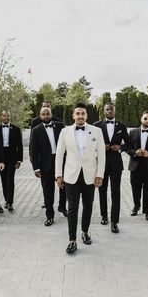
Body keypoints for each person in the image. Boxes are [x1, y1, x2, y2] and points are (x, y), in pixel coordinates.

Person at [55, 102, 105, 254]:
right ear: (73, 116)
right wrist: (58, 174)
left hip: (90, 175)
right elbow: (59, 154)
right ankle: (72, 239)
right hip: (71, 176)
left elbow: (102, 156)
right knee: (72, 208)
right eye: (77, 114)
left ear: (86, 115)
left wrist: (100, 175)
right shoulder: (65, 132)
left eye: (83, 114)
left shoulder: (97, 131)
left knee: (88, 206)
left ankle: (85, 232)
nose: (80, 116)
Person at [94, 102, 129, 233]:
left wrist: (120, 147)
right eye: (107, 109)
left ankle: (114, 221)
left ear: (114, 111)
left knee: (116, 192)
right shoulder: (96, 125)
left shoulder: (122, 126)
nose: (109, 111)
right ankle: (104, 216)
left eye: (111, 109)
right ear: (104, 111)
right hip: (101, 164)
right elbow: (91, 144)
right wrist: (101, 147)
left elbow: (129, 143)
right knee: (102, 190)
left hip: (116, 164)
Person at [30, 107, 67, 226]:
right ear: (40, 116)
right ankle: (50, 216)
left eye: (48, 114)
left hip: (61, 161)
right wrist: (36, 167)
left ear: (51, 115)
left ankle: (62, 207)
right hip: (45, 164)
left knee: (64, 187)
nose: (46, 116)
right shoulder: (36, 130)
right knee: (48, 191)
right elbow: (33, 150)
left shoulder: (60, 126)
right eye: (43, 114)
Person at [0, 110, 23, 212]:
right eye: (4, 116)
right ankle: (6, 200)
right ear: (1, 117)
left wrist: (19, 160)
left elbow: (19, 145)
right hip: (1, 158)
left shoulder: (16, 129)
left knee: (10, 179)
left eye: (7, 116)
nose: (6, 117)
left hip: (12, 157)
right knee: (3, 179)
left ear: (10, 117)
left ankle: (10, 202)